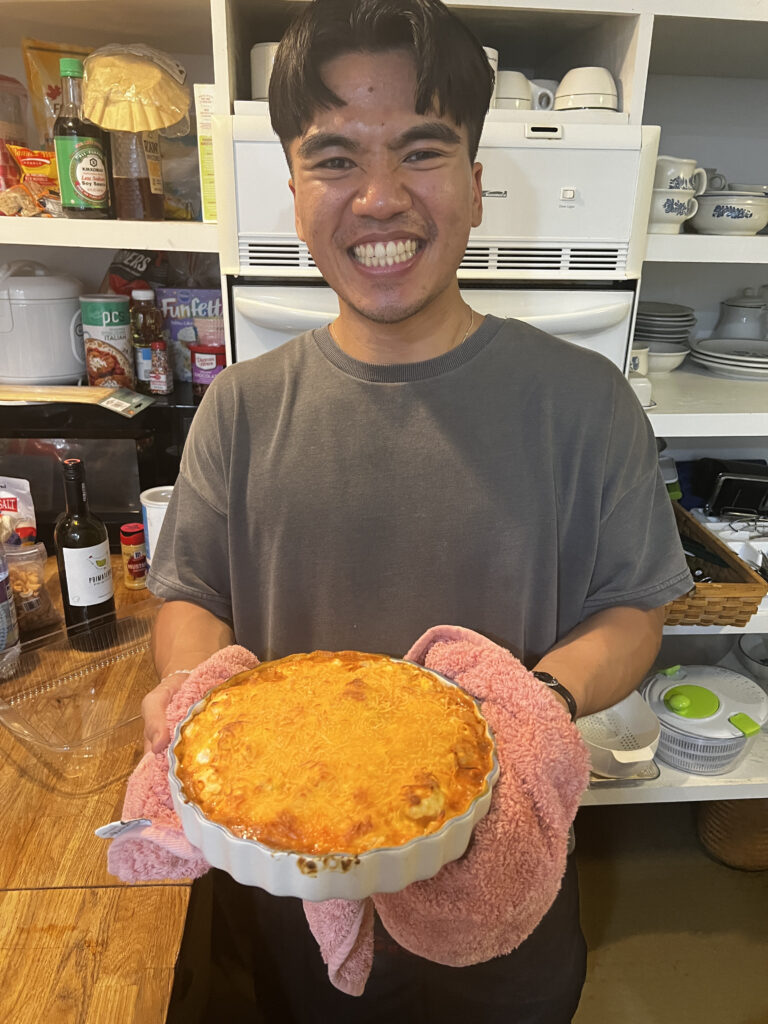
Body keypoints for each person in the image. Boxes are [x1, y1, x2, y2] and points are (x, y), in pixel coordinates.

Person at [143, 1, 693, 1020]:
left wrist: (533, 706)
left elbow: (633, 613)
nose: (381, 198)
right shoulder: (242, 409)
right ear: (297, 191)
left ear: (479, 185)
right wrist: (196, 690)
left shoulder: (584, 404)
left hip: (505, 921)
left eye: (422, 151)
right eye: (336, 159)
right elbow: (191, 596)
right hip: (290, 897)